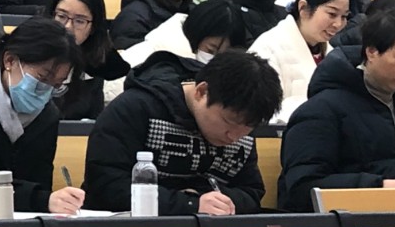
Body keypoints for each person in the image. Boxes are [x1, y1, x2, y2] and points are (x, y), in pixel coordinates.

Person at [279, 9, 395, 211]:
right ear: (371, 52)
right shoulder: (321, 110)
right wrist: (377, 187)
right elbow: (302, 187)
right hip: (350, 221)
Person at [85, 51, 282, 216]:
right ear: (201, 91)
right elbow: (105, 185)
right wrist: (190, 203)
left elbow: (251, 192)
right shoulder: (135, 108)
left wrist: (216, 201)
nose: (234, 137)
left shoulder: (241, 125)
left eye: (248, 128)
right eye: (228, 122)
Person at [0, 19, 86, 217]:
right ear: (9, 61)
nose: (45, 91)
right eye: (42, 79)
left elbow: (39, 180)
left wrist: (54, 201)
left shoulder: (47, 115)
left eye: (56, 85)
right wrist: (39, 199)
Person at [245, 0, 353, 122]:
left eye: (344, 17)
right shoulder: (268, 48)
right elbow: (260, 112)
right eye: (332, 14)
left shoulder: (333, 54)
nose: (338, 24)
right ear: (303, 8)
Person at [113, 0, 252, 102]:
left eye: (224, 55)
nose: (216, 60)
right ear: (195, 36)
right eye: (210, 51)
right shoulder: (153, 57)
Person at [45, 0, 128, 121]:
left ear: (93, 27)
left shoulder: (98, 64)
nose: (68, 27)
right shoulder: (30, 55)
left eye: (79, 21)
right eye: (61, 16)